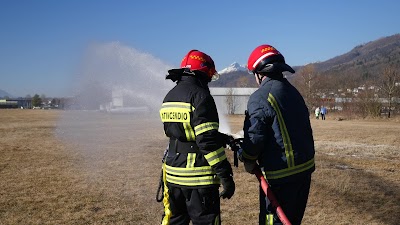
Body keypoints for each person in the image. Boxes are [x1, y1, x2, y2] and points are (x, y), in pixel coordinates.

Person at [240, 44, 315, 225]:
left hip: (281, 178)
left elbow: (255, 138)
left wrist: (247, 157)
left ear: (259, 73)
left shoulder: (260, 97)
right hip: (304, 172)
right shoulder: (293, 91)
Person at [159, 50, 235, 225]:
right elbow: (206, 143)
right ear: (202, 73)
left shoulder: (169, 96)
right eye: (209, 75)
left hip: (172, 175)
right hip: (198, 180)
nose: (209, 80)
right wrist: (225, 176)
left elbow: (184, 133)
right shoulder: (201, 96)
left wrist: (221, 137)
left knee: (174, 221)